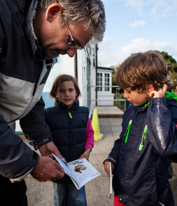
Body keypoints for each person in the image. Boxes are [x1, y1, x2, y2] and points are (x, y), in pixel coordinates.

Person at [0, 0, 105, 205]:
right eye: (72, 41)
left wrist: (43, 139)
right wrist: (26, 163)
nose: (71, 53)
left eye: (78, 48)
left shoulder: (44, 47)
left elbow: (31, 95)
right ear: (53, 13)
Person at [103, 51, 177, 206]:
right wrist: (112, 157)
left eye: (128, 90)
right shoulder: (132, 109)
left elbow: (165, 146)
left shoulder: (174, 111)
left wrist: (157, 104)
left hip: (149, 197)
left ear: (149, 87)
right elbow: (122, 139)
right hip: (122, 192)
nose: (125, 95)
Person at [45, 74, 94, 206]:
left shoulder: (83, 113)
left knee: (79, 199)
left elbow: (90, 134)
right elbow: (45, 138)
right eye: (62, 90)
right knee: (60, 199)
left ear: (76, 92)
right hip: (59, 166)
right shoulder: (49, 114)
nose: (67, 94)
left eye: (70, 90)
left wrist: (88, 150)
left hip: (78, 165)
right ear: (55, 93)